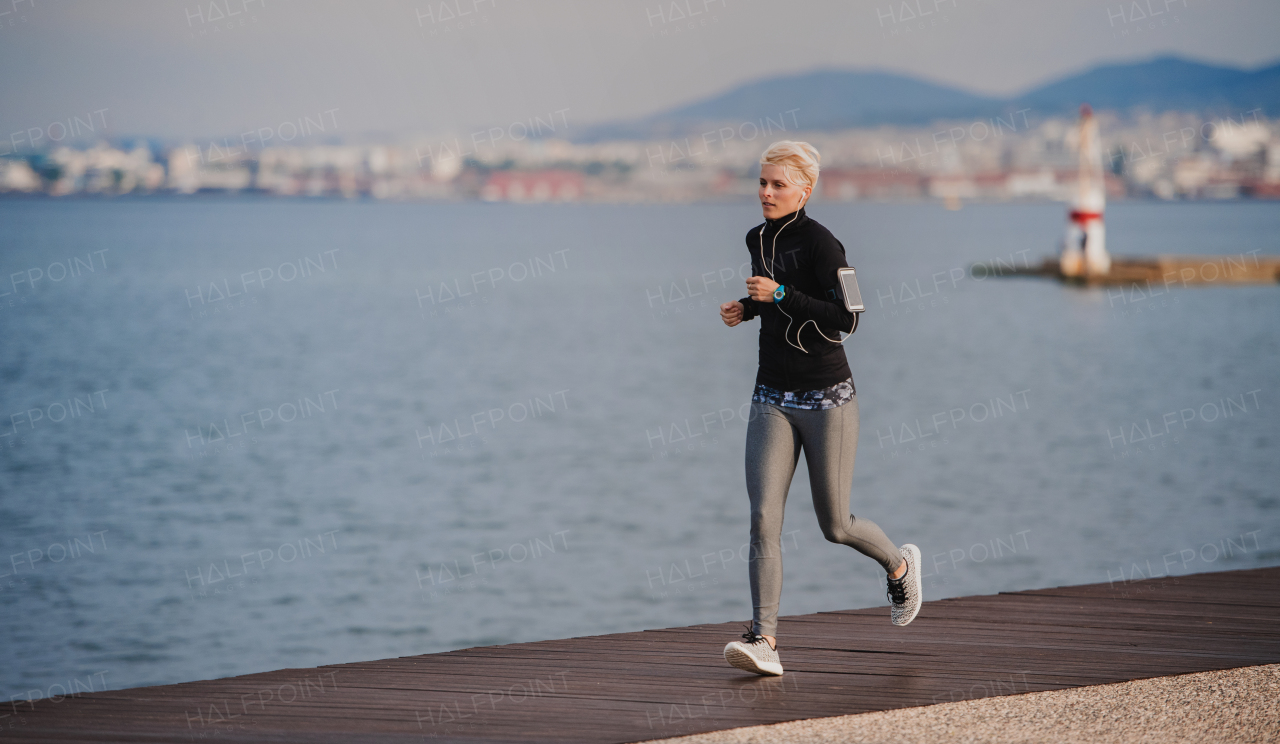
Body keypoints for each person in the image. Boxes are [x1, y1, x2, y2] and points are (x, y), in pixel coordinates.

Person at [718, 141, 922, 677]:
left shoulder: (824, 243)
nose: (765, 192)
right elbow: (775, 305)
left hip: (826, 398)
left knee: (834, 524)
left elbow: (848, 319)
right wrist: (748, 308)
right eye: (761, 182)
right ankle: (765, 639)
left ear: (804, 191)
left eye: (777, 184)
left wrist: (780, 293)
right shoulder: (756, 238)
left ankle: (899, 565)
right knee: (764, 517)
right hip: (771, 396)